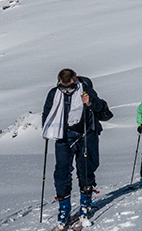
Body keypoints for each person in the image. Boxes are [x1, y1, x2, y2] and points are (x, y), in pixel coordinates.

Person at [41, 68, 103, 230]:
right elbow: (47, 112)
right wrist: (46, 129)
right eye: (63, 88)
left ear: (75, 81)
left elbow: (99, 106)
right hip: (62, 136)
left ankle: (85, 204)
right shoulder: (54, 93)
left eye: (70, 87)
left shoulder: (85, 90)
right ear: (59, 83)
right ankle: (64, 210)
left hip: (85, 135)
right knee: (61, 173)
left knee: (86, 169)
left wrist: (89, 102)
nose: (67, 91)